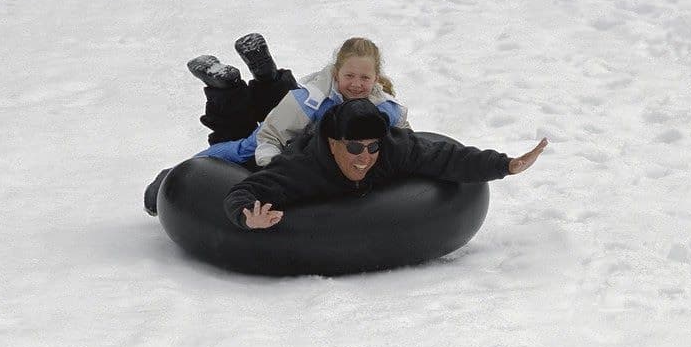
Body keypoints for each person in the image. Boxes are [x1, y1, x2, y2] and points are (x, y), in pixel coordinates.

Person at [144, 35, 410, 216]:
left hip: (315, 150)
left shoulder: (385, 108)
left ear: (376, 78)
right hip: (286, 138)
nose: (356, 84)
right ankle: (170, 174)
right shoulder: (311, 100)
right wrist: (274, 172)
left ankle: (265, 74)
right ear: (336, 73)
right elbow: (269, 135)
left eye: (364, 77)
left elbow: (406, 139)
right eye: (349, 76)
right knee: (244, 148)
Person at [225, 98, 548, 230]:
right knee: (240, 145)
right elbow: (248, 188)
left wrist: (506, 165)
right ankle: (234, 93)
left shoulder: (394, 148)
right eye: (354, 148)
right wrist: (246, 217)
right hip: (284, 142)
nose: (365, 157)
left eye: (372, 147)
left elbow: (447, 157)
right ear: (334, 144)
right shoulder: (305, 166)